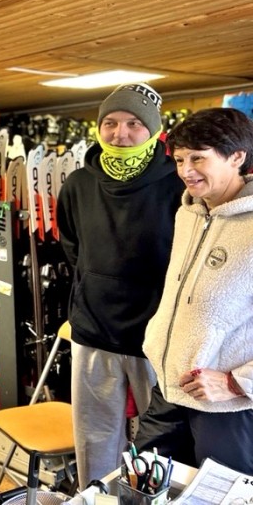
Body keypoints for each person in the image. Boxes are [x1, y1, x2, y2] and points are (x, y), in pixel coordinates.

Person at [56, 83, 184, 487]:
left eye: (133, 124)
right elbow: (73, 246)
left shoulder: (179, 185)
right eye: (110, 123)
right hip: (94, 331)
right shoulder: (78, 183)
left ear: (154, 130)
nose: (120, 133)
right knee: (94, 446)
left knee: (160, 448)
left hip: (158, 340)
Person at [137, 107, 253, 473]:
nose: (186, 170)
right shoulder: (188, 213)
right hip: (170, 386)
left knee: (219, 497)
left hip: (227, 407)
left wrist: (238, 383)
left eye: (198, 158)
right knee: (142, 481)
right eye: (180, 159)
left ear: (237, 157)